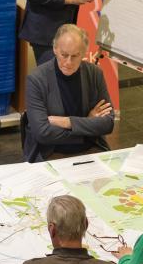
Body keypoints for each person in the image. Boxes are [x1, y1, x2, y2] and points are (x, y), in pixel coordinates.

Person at [23, 24, 114, 162]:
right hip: (51, 152)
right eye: (64, 55)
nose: (68, 62)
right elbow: (42, 133)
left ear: (83, 53)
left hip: (91, 149)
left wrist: (67, 122)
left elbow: (108, 123)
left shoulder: (94, 74)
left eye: (75, 56)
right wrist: (88, 125)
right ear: (55, 49)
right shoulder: (36, 79)